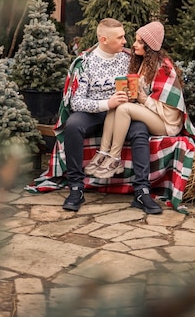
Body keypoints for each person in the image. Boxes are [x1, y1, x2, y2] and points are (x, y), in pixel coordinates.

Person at [60, 18, 162, 215]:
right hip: (93, 114)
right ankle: (75, 188)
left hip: (122, 115)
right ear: (104, 39)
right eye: (121, 38)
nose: (126, 41)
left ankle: (142, 190)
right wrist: (107, 103)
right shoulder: (85, 63)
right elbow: (76, 102)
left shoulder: (128, 59)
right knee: (73, 125)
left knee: (140, 130)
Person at [86, 21, 188, 182]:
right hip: (150, 112)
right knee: (118, 103)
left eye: (140, 42)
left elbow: (169, 112)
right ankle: (103, 152)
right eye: (135, 40)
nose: (134, 45)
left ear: (150, 45)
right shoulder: (143, 63)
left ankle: (115, 158)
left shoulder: (163, 68)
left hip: (166, 123)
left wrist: (143, 99)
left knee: (124, 108)